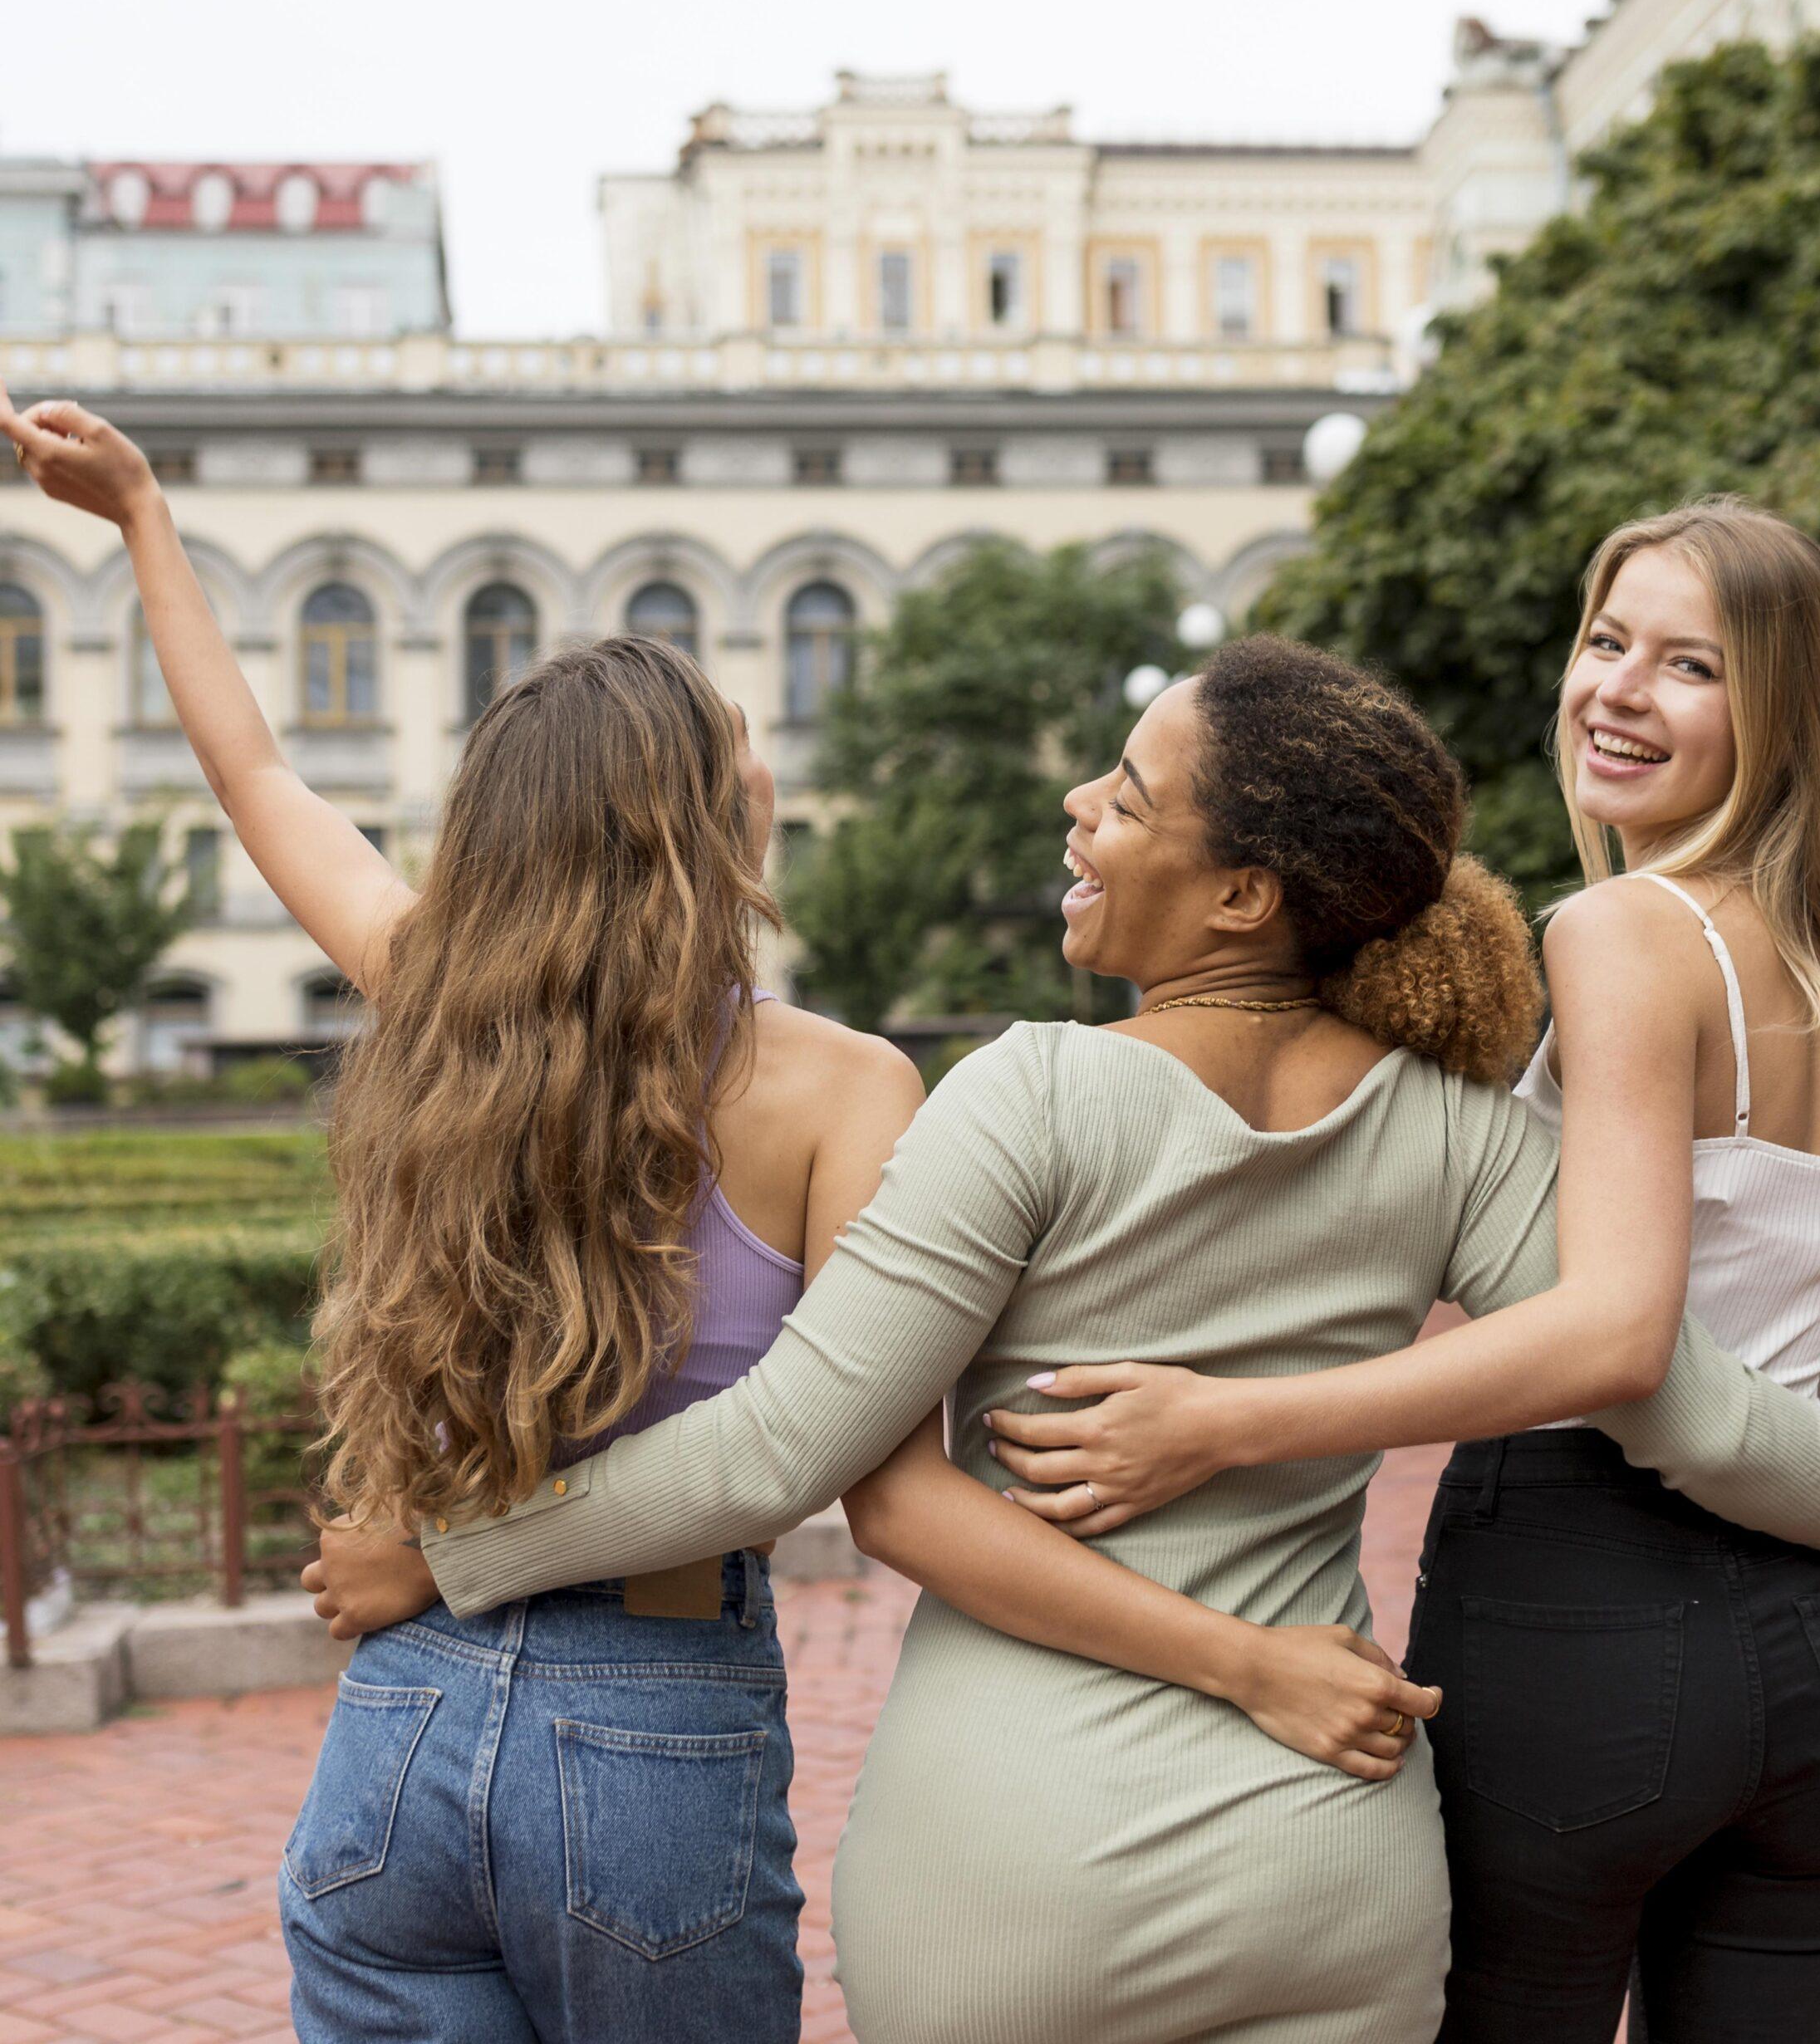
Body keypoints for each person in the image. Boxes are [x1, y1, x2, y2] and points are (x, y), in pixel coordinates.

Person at [0, 385, 1440, 2044]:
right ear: (706, 821)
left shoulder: (429, 993)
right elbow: (876, 1480)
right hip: (655, 1723)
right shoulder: (844, 1090)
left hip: (396, 1716)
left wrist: (146, 524)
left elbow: (251, 768)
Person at [295, 620, 1820, 2041]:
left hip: (1003, 1871)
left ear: (1240, 894)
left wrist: (466, 1549)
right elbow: (1682, 1396)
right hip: (1326, 1842)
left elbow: (788, 1449)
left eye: (1127, 795)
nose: (1077, 807)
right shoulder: (1452, 1132)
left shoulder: (1023, 1091)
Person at [983, 501, 1820, 2042]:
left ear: (1787, 716)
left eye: (1690, 665)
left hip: (1587, 1608)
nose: (1618, 690)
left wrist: (1226, 1419)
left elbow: (1612, 1336)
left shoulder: (1630, 933)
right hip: (1816, 1648)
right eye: (1605, 641)